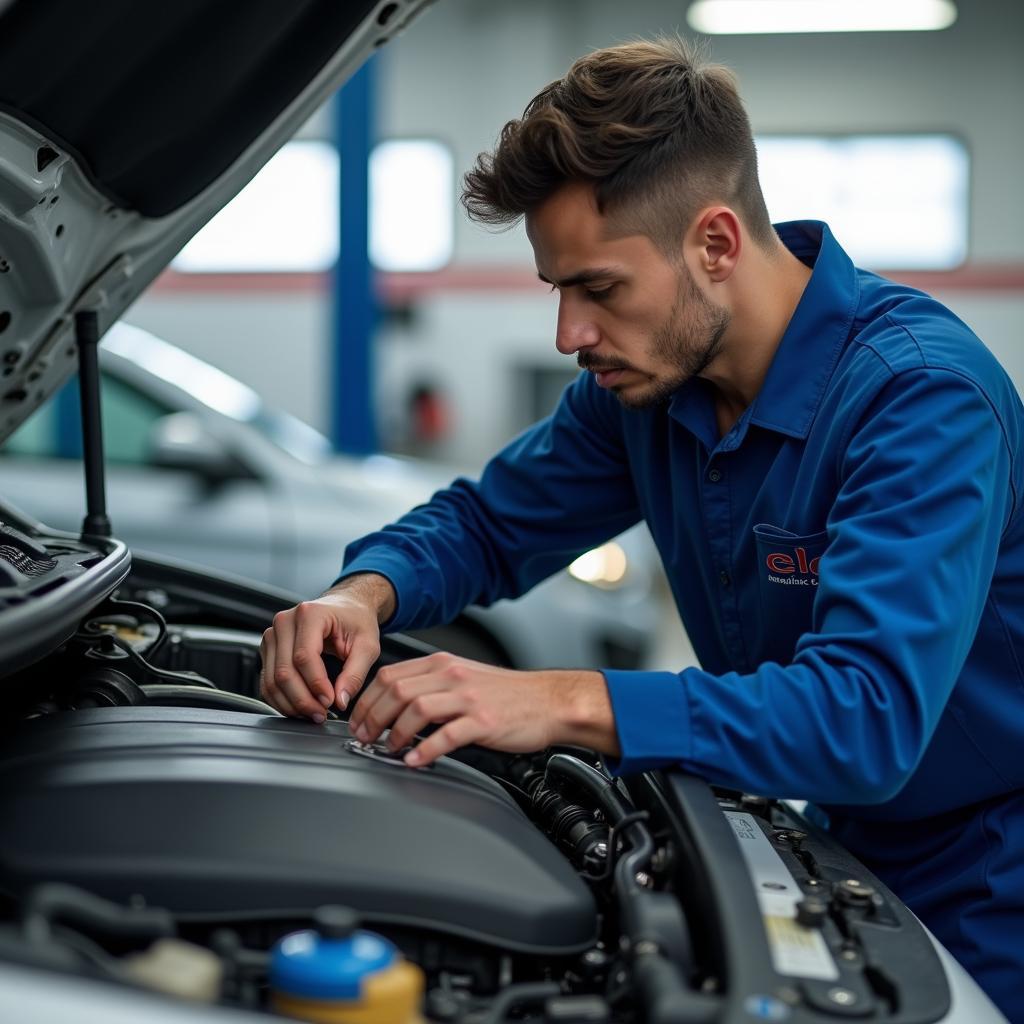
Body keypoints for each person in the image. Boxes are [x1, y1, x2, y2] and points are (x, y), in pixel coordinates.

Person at [261, 38, 1024, 1018]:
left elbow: (863, 715)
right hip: (842, 836)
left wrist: (560, 700)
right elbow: (490, 524)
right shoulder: (646, 393)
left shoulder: (917, 397)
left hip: (994, 873)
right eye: (557, 290)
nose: (567, 335)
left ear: (714, 243)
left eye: (599, 289)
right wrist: (360, 592)